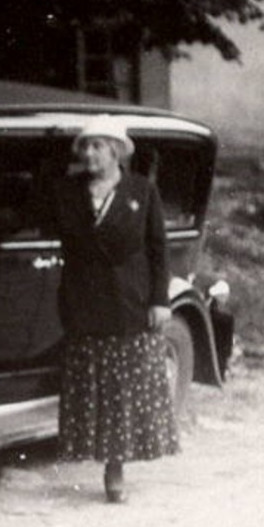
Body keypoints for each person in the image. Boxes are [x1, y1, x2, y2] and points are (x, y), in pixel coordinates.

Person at [48, 115, 180, 503]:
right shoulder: (67, 191)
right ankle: (100, 454)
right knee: (96, 388)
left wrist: (160, 300)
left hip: (130, 302)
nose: (89, 154)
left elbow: (159, 249)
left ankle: (115, 466)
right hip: (85, 302)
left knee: (123, 391)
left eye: (97, 147)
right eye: (85, 147)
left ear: (116, 152)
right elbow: (29, 218)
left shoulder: (142, 191)